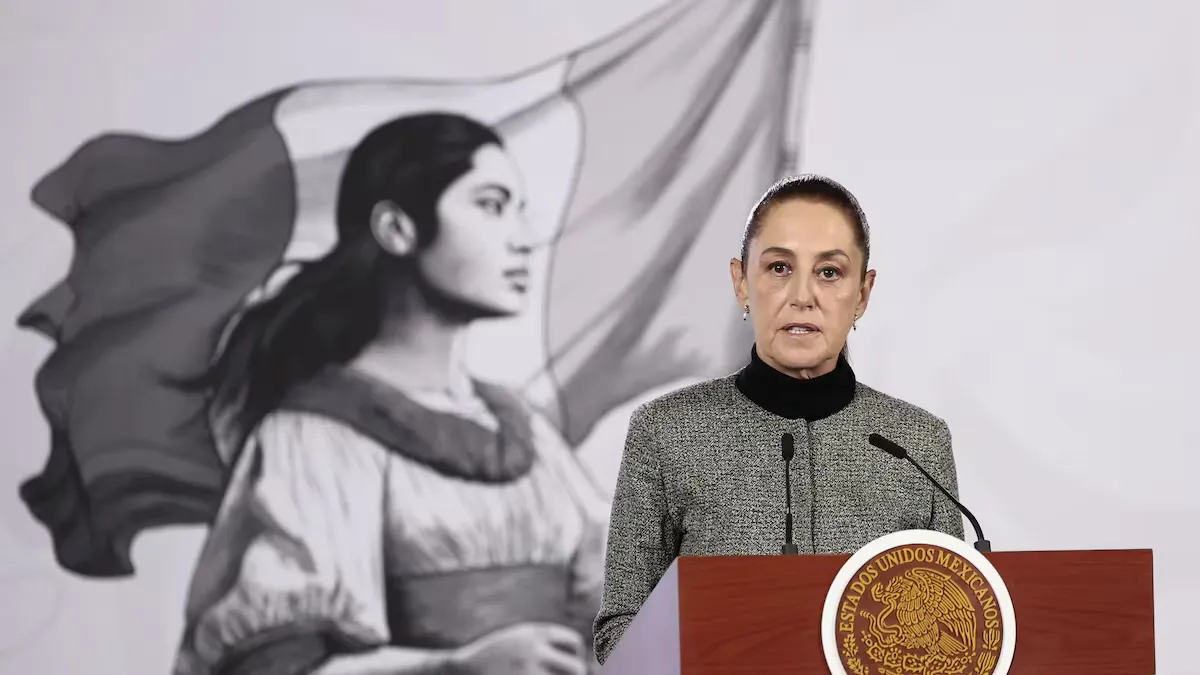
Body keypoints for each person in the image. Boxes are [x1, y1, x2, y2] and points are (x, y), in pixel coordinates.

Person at [171, 113, 608, 675]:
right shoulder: (315, 436)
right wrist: (456, 669)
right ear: (397, 229)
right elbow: (274, 666)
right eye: (491, 205)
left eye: (520, 211)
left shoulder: (525, 431)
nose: (522, 239)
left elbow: (613, 605)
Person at [591, 174, 966, 664]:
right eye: (779, 267)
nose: (802, 296)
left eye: (830, 272)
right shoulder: (665, 432)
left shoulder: (919, 441)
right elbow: (618, 630)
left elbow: (966, 629)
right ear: (741, 281)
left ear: (863, 293)